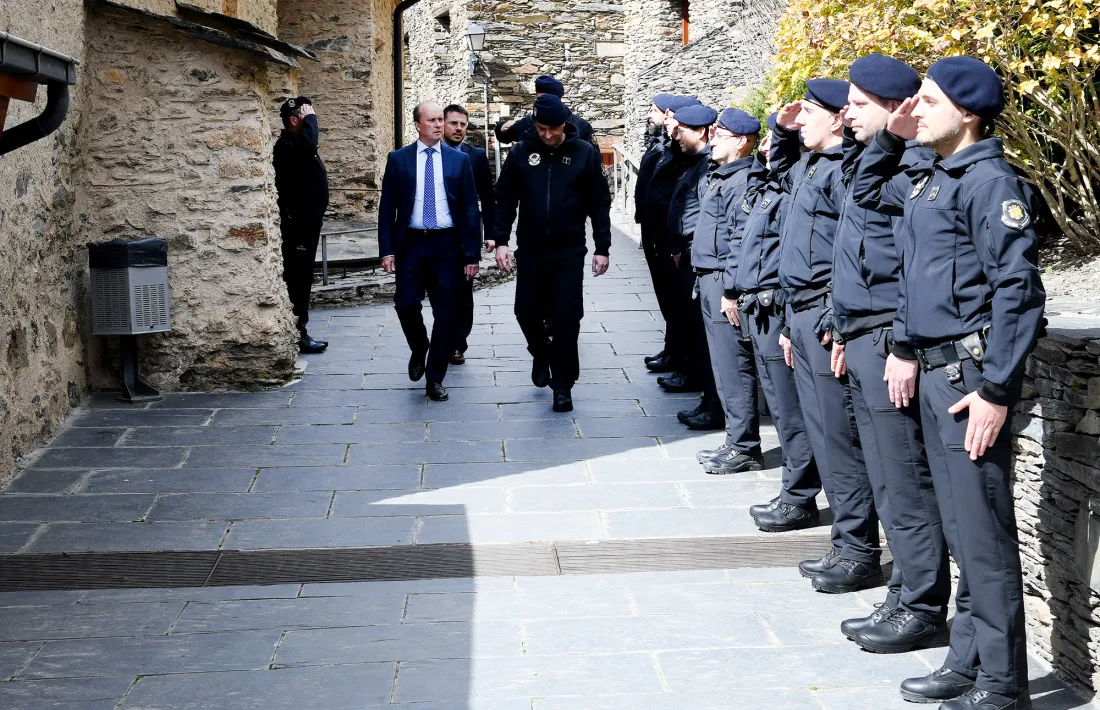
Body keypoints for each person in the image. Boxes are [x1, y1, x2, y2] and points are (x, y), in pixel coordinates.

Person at [853, 55, 1046, 710]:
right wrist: (893, 136)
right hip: (935, 371)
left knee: (983, 538)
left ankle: (1002, 684)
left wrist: (996, 390)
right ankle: (967, 661)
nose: (917, 108)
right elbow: (868, 198)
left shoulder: (989, 183)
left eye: (929, 100)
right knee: (962, 531)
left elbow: (1019, 291)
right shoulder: (933, 177)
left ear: (967, 113)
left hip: (968, 380)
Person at [828, 54, 952, 656]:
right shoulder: (876, 160)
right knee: (885, 476)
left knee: (905, 480)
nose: (846, 113)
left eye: (858, 104)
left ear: (894, 108)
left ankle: (922, 606)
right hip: (863, 334)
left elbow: (912, 270)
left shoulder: (916, 169)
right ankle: (903, 593)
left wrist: (898, 343)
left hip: (887, 340)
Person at [770, 79, 884, 595]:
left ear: (836, 119)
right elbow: (775, 171)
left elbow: (851, 251)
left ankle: (859, 550)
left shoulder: (843, 170)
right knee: (822, 434)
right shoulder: (809, 165)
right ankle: (844, 543)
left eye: (809, 112)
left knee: (840, 440)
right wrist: (780, 129)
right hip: (800, 311)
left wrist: (836, 321)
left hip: (824, 313)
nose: (799, 120)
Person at [729, 114, 821, 536]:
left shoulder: (791, 189)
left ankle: (799, 496)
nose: (766, 146)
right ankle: (793, 490)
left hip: (777, 309)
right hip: (760, 308)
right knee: (783, 409)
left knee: (790, 411)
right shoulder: (772, 187)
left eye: (774, 139)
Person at [492, 94, 612, 412]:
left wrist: (602, 247)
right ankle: (541, 353)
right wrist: (501, 240)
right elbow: (505, 198)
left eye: (553, 129)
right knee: (525, 312)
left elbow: (599, 203)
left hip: (569, 250)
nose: (546, 135)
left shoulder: (584, 153)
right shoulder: (521, 152)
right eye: (541, 128)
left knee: (567, 317)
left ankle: (562, 385)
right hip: (531, 249)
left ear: (564, 125)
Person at [378, 101, 482, 402]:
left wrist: (472, 254)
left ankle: (435, 378)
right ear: (418, 125)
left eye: (440, 120)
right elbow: (387, 209)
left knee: (446, 313)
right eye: (432, 120)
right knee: (405, 304)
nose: (439, 125)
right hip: (411, 243)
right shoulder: (399, 159)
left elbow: (470, 210)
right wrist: (387, 250)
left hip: (447, 244)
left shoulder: (458, 160)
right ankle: (419, 346)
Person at [690, 108, 765, 469]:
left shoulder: (742, 181)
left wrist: (731, 290)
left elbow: (740, 239)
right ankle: (735, 439)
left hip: (723, 279)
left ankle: (744, 446)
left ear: (742, 141)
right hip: (709, 276)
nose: (713, 140)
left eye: (721, 136)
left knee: (733, 365)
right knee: (722, 364)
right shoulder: (722, 176)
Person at [662, 103, 721, 421]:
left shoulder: (709, 166)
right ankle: (707, 400)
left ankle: (713, 406)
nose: (676, 136)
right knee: (696, 332)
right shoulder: (693, 162)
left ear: (700, 132)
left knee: (705, 336)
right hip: (687, 256)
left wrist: (686, 246)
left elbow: (705, 215)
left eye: (681, 131)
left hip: (697, 259)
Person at [636, 95, 701, 375]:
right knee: (668, 298)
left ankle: (683, 359)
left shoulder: (680, 150)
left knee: (677, 300)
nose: (652, 115)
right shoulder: (662, 144)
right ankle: (673, 350)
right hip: (655, 232)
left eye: (659, 111)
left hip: (668, 234)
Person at [273, 96, 329, 354]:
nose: (311, 125)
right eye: (306, 119)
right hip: (298, 226)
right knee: (299, 279)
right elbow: (309, 143)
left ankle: (299, 331)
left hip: (307, 224)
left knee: (303, 278)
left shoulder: (296, 143)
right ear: (294, 120)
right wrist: (312, 119)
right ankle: (299, 334)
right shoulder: (290, 144)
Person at [443, 104, 496, 365]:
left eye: (463, 124)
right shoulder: (430, 154)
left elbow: (488, 197)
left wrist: (492, 233)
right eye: (453, 123)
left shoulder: (476, 156)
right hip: (436, 234)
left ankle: (457, 344)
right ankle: (441, 338)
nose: (458, 128)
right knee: (441, 291)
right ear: (442, 124)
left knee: (463, 292)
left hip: (466, 234)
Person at [494, 75, 597, 147]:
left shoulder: (580, 125)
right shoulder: (529, 122)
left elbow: (593, 159)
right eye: (541, 99)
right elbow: (506, 136)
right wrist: (501, 128)